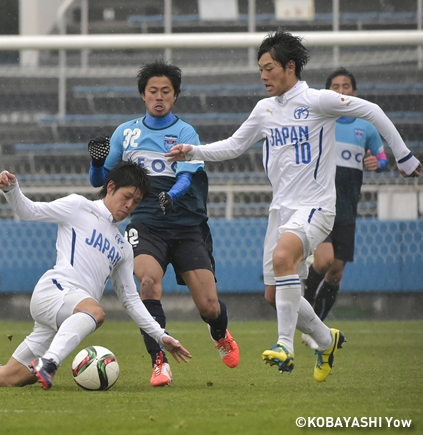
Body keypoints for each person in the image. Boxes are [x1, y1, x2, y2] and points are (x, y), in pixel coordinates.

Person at [166, 30, 420, 382]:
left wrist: (404, 157)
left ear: (290, 66)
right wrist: (193, 151)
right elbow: (234, 146)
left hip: (317, 206)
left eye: (269, 68)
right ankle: (324, 338)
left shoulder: (318, 100)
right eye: (260, 69)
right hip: (281, 210)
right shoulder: (265, 109)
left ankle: (285, 344)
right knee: (274, 294)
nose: (263, 75)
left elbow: (372, 110)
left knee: (284, 258)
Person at [0, 161, 192, 390]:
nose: (130, 205)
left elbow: (131, 300)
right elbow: (30, 211)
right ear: (111, 186)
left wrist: (160, 334)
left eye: (137, 202)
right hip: (54, 291)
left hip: (65, 319)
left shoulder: (122, 246)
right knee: (97, 311)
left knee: (10, 377)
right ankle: (50, 363)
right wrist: (12, 190)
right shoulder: (79, 207)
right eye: (127, 196)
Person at [87, 60, 238, 388]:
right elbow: (101, 180)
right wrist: (97, 163)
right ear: (143, 95)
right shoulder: (126, 133)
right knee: (149, 284)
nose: (159, 97)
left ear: (175, 96)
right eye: (152, 91)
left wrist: (172, 195)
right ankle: (159, 361)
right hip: (146, 223)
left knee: (210, 306)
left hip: (186, 226)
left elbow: (187, 175)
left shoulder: (185, 133)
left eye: (165, 91)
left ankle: (219, 333)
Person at [301, 69, 388, 349]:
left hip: (348, 207)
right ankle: (303, 305)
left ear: (354, 91)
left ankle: (316, 329)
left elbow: (382, 156)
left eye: (346, 86)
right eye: (335, 86)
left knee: (336, 270)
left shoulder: (366, 127)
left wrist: (379, 163)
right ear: (328, 92)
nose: (341, 90)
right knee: (324, 260)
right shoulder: (321, 122)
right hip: (320, 203)